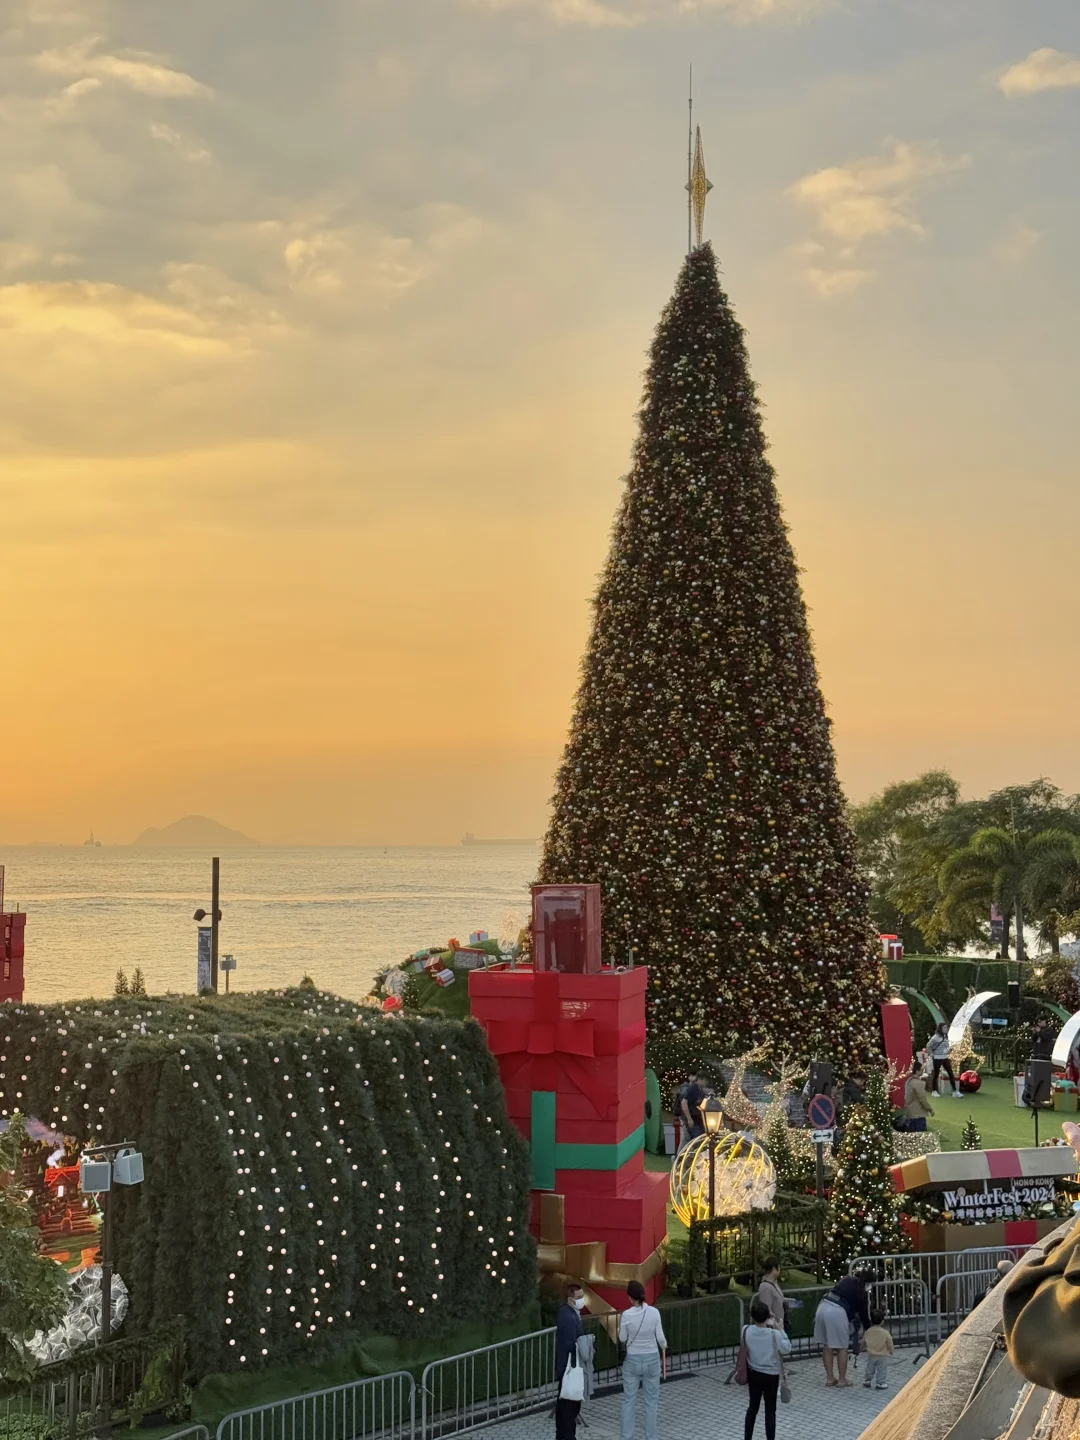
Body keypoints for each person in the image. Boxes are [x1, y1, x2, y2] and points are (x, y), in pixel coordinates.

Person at [619, 1279, 667, 1440]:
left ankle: (626, 1437)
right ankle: (651, 1437)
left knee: (628, 1401)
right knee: (651, 1402)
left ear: (630, 1297)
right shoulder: (654, 1312)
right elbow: (660, 1338)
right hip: (652, 1358)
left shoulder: (626, 1315)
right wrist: (664, 1346)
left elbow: (622, 1338)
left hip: (632, 1359)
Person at [744, 1296, 792, 1440]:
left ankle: (748, 1437)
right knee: (770, 1410)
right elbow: (786, 1348)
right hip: (771, 1374)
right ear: (767, 1317)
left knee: (753, 1407)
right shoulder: (774, 1334)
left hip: (754, 1372)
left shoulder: (746, 1330)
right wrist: (781, 1329)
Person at [813, 1269, 873, 1386]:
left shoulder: (846, 1279)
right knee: (842, 1347)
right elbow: (864, 1316)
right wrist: (870, 1331)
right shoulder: (861, 1293)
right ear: (869, 1282)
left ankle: (830, 1378)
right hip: (837, 1311)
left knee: (827, 1345)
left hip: (823, 1305)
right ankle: (842, 1380)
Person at [555, 1282, 586, 1439]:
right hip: (569, 1369)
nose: (582, 1299)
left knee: (565, 1408)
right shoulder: (567, 1315)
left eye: (582, 1296)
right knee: (568, 1408)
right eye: (579, 1297)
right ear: (570, 1299)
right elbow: (569, 1343)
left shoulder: (571, 1313)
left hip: (569, 1368)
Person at [861, 1308, 894, 1390]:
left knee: (870, 1368)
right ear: (882, 1321)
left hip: (871, 1354)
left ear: (871, 1321)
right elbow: (889, 1342)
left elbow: (863, 1341)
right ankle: (880, 1382)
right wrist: (891, 1351)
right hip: (882, 1355)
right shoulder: (885, 1333)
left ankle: (868, 1380)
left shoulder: (868, 1331)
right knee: (882, 1369)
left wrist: (862, 1348)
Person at [928, 1023, 960, 1097]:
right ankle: (934, 1090)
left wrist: (949, 1050)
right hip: (937, 1058)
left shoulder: (946, 1037)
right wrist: (932, 1054)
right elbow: (929, 1045)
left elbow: (945, 1047)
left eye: (946, 1027)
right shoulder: (935, 1037)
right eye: (945, 1027)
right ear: (941, 1028)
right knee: (936, 1074)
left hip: (945, 1057)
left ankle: (955, 1091)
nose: (946, 1029)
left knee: (951, 1073)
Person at [755, 1258, 787, 1330]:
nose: (779, 1270)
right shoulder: (765, 1287)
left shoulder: (774, 1283)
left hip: (779, 1326)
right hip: (774, 1329)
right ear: (774, 1269)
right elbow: (766, 1310)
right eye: (778, 1268)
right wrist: (777, 1324)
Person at [903, 1067, 935, 1131]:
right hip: (918, 1115)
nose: (923, 1071)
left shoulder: (909, 1081)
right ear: (917, 1071)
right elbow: (922, 1099)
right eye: (921, 1070)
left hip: (910, 1113)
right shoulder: (918, 1083)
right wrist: (930, 1109)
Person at [680, 1072, 708, 1142]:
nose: (706, 1083)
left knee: (688, 1140)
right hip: (692, 1118)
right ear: (701, 1079)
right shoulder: (693, 1088)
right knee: (695, 1139)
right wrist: (689, 1119)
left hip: (697, 1119)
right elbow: (684, 1102)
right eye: (706, 1081)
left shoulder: (700, 1089)